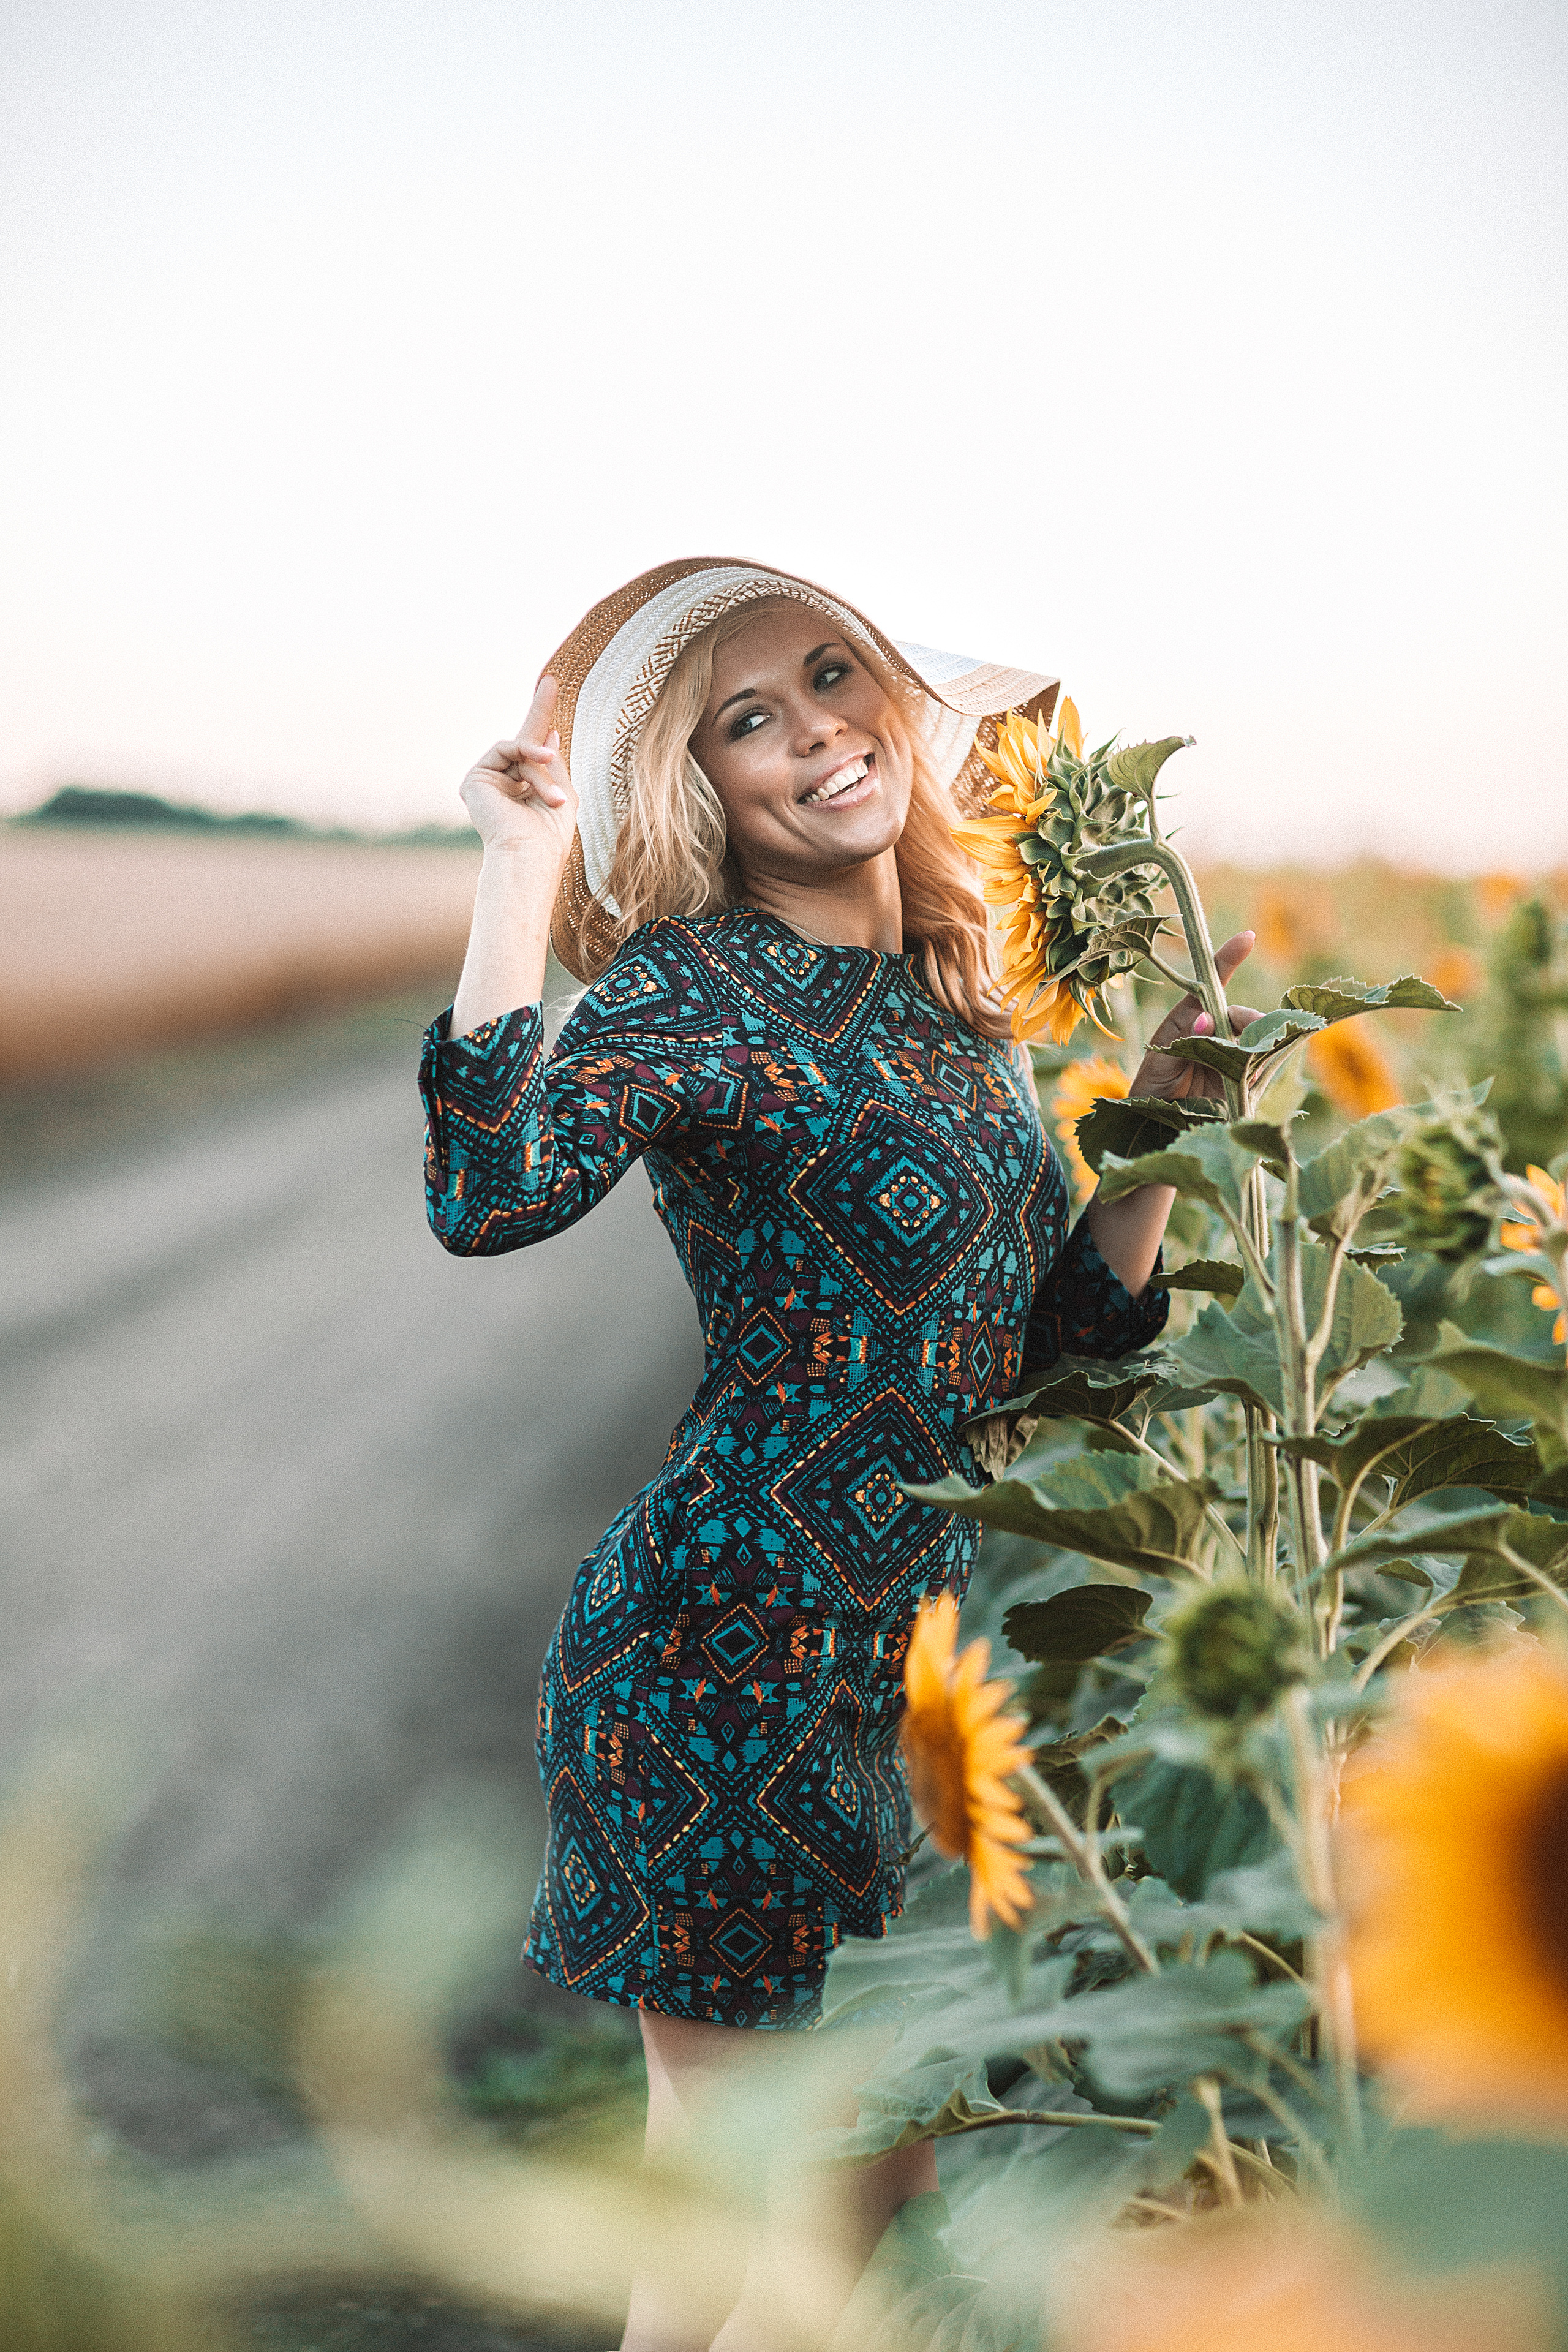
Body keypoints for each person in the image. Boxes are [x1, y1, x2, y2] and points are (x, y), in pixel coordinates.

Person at [418, 559, 1254, 2349]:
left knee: (874, 2206)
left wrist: (1165, 1125)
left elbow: (1051, 1345)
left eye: (830, 681)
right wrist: (515, 864)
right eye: (748, 723)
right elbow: (486, 1191)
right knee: (740, 2236)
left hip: (890, 1673)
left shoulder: (957, 1017)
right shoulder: (698, 987)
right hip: (720, 1651)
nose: (813, 736)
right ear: (704, 790)